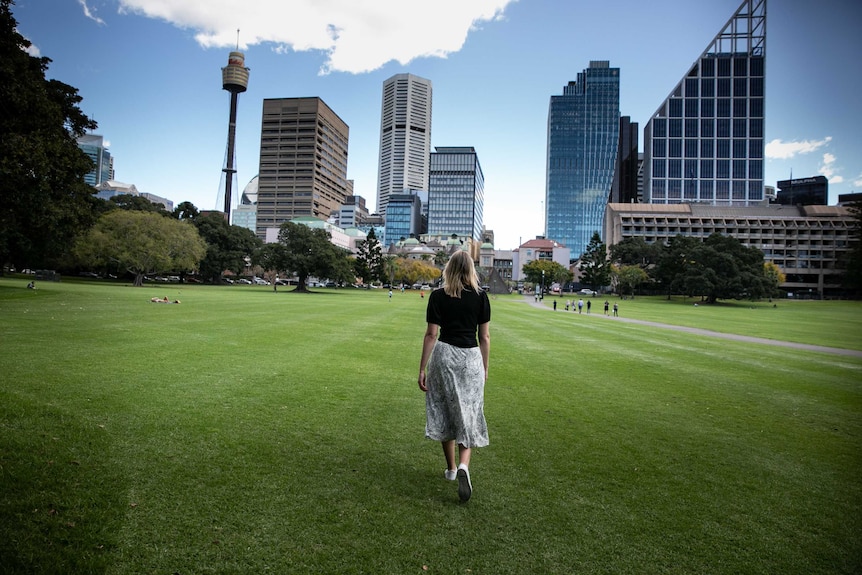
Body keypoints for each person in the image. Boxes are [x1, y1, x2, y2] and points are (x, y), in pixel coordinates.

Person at [418, 250, 490, 503]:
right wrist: (485, 367)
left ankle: (450, 469)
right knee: (468, 412)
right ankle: (464, 466)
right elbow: (484, 337)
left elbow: (431, 334)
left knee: (446, 410)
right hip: (471, 358)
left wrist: (422, 368)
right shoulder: (481, 297)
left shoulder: (438, 296)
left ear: (448, 269)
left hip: (445, 356)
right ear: (471, 269)